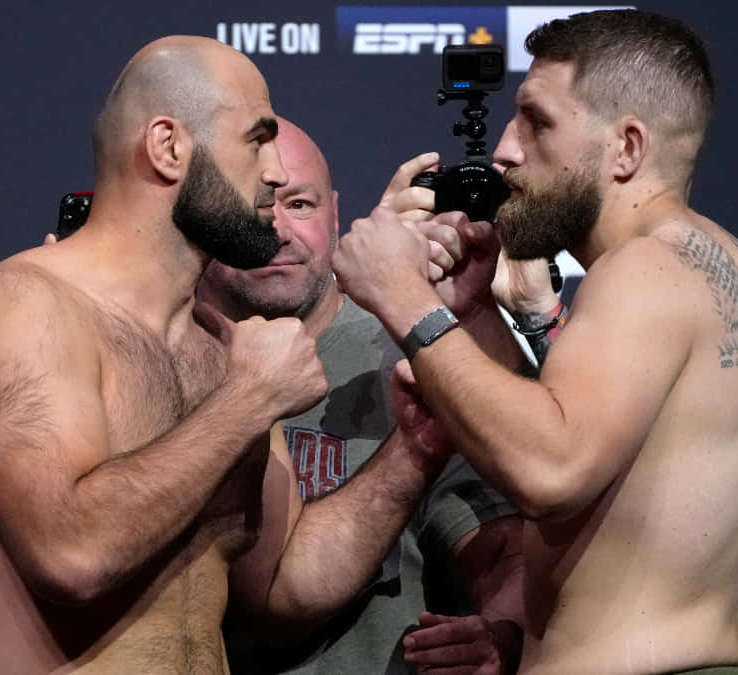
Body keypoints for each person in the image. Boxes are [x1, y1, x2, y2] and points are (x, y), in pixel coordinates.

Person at [0, 37, 450, 674]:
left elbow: (282, 586)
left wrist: (415, 449)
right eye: (256, 140)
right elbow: (71, 553)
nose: (275, 173)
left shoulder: (220, 347)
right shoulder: (21, 306)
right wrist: (249, 401)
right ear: (168, 147)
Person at [334, 9, 738, 674]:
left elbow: (550, 471)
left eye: (538, 121)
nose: (506, 149)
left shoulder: (642, 271)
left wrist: (401, 295)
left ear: (627, 148)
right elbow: (578, 442)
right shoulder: (731, 271)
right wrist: (475, 315)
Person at [200, 119, 525, 674]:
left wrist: (502, 630)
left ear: (334, 213)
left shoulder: (414, 351)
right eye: (255, 206)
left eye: (299, 204)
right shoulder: (167, 359)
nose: (278, 229)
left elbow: (497, 543)